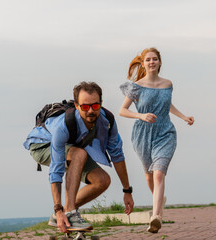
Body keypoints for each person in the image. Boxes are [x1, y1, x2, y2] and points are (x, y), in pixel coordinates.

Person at [24, 81, 134, 233]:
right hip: (41, 144)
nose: (90, 111)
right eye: (85, 106)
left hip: (72, 150)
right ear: (76, 106)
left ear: (101, 103)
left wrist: (127, 191)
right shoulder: (63, 126)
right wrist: (57, 208)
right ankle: (69, 213)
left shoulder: (107, 121)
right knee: (79, 153)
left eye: (95, 106)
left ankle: (66, 213)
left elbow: (117, 155)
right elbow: (57, 169)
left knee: (102, 181)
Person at [119, 47, 194, 233]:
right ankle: (159, 201)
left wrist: (183, 117)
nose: (151, 62)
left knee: (159, 173)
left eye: (155, 59)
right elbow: (123, 110)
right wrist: (141, 116)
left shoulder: (168, 84)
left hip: (165, 133)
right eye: (148, 60)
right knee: (149, 174)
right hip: (142, 135)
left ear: (159, 62)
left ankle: (156, 216)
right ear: (143, 63)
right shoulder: (136, 86)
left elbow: (167, 104)